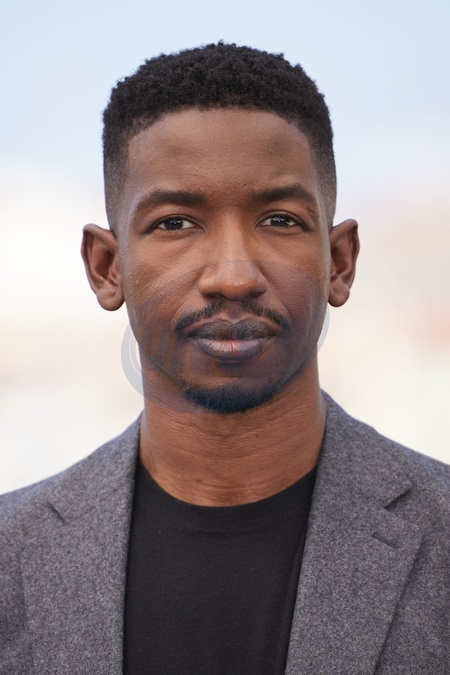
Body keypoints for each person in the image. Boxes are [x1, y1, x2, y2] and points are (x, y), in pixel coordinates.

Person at [1, 42, 449, 675]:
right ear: (106, 268)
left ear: (340, 262)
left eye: (280, 220)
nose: (234, 277)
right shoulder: (11, 555)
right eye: (176, 223)